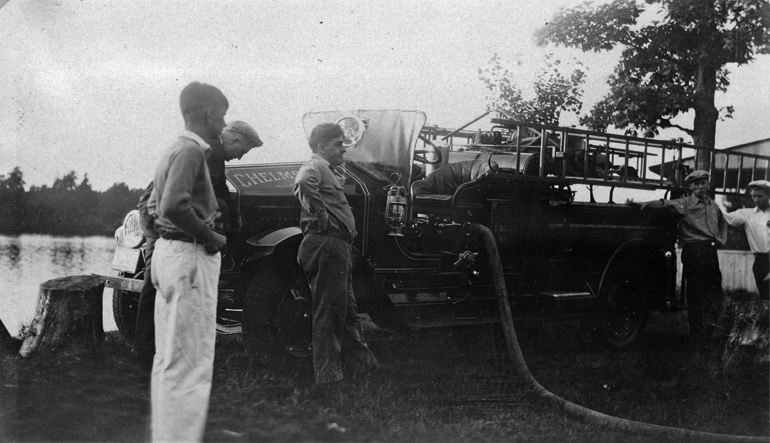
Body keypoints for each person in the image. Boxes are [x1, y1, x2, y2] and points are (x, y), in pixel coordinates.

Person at [147, 81, 228, 442]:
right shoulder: (193, 151)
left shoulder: (172, 150)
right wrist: (210, 236)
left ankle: (167, 435)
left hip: (171, 254)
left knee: (169, 359)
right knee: (191, 362)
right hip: (190, 255)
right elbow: (171, 206)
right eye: (222, 117)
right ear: (209, 114)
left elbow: (152, 207)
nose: (223, 126)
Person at [293, 123, 379, 384]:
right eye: (338, 145)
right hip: (328, 244)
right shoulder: (316, 166)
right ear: (322, 148)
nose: (343, 149)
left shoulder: (326, 168)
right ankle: (329, 378)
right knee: (330, 312)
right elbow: (303, 182)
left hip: (337, 247)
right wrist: (319, 214)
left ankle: (364, 365)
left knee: (347, 310)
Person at [629, 170, 727, 344]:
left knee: (714, 292)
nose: (700, 187)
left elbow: (722, 223)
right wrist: (640, 203)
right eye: (696, 184)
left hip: (710, 252)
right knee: (696, 294)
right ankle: (696, 337)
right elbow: (663, 204)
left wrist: (721, 239)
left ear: (707, 185)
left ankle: (712, 334)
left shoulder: (713, 205)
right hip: (694, 251)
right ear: (690, 186)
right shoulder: (685, 204)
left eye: (703, 183)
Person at [206, 120, 263, 235]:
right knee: (221, 206)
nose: (239, 158)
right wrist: (235, 218)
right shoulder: (214, 149)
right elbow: (218, 186)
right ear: (234, 141)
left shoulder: (210, 142)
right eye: (242, 152)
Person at [724, 179, 770, 300]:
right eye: (753, 196)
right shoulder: (747, 214)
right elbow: (725, 218)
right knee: (766, 297)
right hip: (762, 260)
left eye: (760, 196)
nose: (756, 200)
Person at [130, 181, 158, 365]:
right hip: (160, 229)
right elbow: (145, 204)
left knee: (152, 286)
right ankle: (142, 349)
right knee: (152, 284)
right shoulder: (188, 160)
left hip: (159, 226)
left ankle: (144, 347)